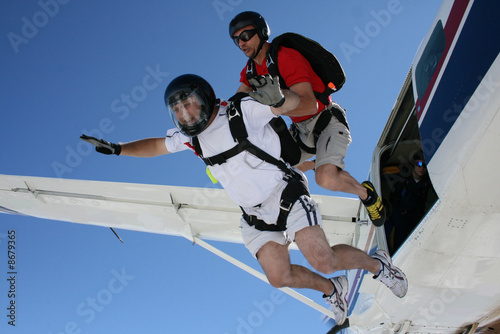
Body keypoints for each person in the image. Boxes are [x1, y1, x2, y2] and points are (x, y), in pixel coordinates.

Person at [81, 74, 407, 325]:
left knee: (323, 259)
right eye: (177, 109)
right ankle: (333, 289)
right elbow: (155, 146)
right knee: (280, 277)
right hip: (253, 215)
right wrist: (119, 148)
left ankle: (379, 265)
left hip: (286, 193)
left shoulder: (240, 111)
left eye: (188, 103)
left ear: (205, 98)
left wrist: (280, 97)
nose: (184, 113)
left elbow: (287, 105)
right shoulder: (191, 139)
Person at [229, 11, 386, 227]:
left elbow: (310, 104)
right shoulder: (249, 71)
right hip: (300, 130)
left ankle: (366, 195)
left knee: (326, 178)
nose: (241, 43)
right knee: (274, 171)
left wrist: (274, 108)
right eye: (236, 39)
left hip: (325, 121)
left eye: (245, 35)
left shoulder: (286, 58)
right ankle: (312, 164)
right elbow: (236, 103)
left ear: (261, 32)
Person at [384, 153, 437, 254]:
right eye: (419, 164)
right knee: (398, 243)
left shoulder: (427, 183)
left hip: (415, 217)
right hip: (400, 216)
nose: (421, 168)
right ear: (413, 165)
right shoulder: (403, 179)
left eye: (425, 166)